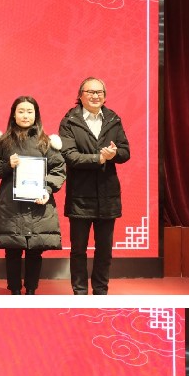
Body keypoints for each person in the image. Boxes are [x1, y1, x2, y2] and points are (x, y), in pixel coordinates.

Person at [0, 96, 66, 295]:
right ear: (13, 115)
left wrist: (46, 190)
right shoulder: (3, 142)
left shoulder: (46, 142)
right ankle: (14, 289)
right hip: (11, 205)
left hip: (38, 203)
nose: (25, 115)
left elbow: (59, 169)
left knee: (35, 250)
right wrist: (7, 165)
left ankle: (31, 290)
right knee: (12, 249)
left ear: (36, 115)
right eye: (21, 111)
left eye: (30, 111)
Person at [58, 79, 131, 295]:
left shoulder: (113, 119)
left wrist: (114, 154)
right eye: (90, 92)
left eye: (99, 92)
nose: (95, 96)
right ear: (80, 95)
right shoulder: (70, 121)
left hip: (108, 195)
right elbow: (69, 156)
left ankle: (100, 291)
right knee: (78, 250)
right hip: (80, 195)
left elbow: (126, 152)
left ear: (105, 96)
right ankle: (80, 292)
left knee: (104, 250)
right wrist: (99, 158)